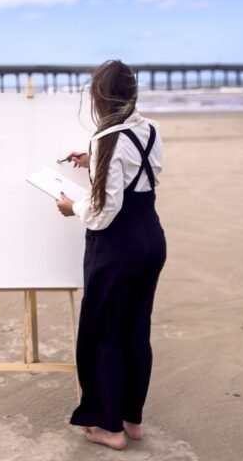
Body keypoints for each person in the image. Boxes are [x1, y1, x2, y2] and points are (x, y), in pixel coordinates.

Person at [55, 59, 166, 450]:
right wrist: (93, 163)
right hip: (152, 238)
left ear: (99, 97)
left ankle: (108, 428)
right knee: (136, 330)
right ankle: (131, 420)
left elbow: (103, 212)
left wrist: (73, 207)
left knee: (103, 330)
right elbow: (143, 174)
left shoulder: (105, 138)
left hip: (118, 245)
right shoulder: (150, 129)